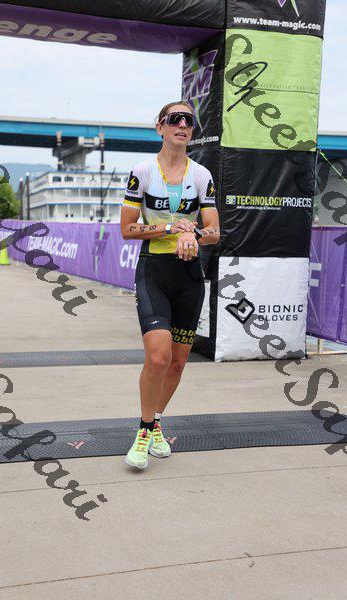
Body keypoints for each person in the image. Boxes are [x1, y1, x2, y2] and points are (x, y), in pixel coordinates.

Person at [120, 100, 220, 469]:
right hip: (154, 272)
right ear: (160, 127)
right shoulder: (143, 172)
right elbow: (127, 229)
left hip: (189, 276)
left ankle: (157, 421)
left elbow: (215, 231)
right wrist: (168, 227)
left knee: (177, 364)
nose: (182, 125)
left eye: (188, 121)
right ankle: (144, 430)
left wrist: (194, 233)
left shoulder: (202, 175)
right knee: (158, 357)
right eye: (174, 119)